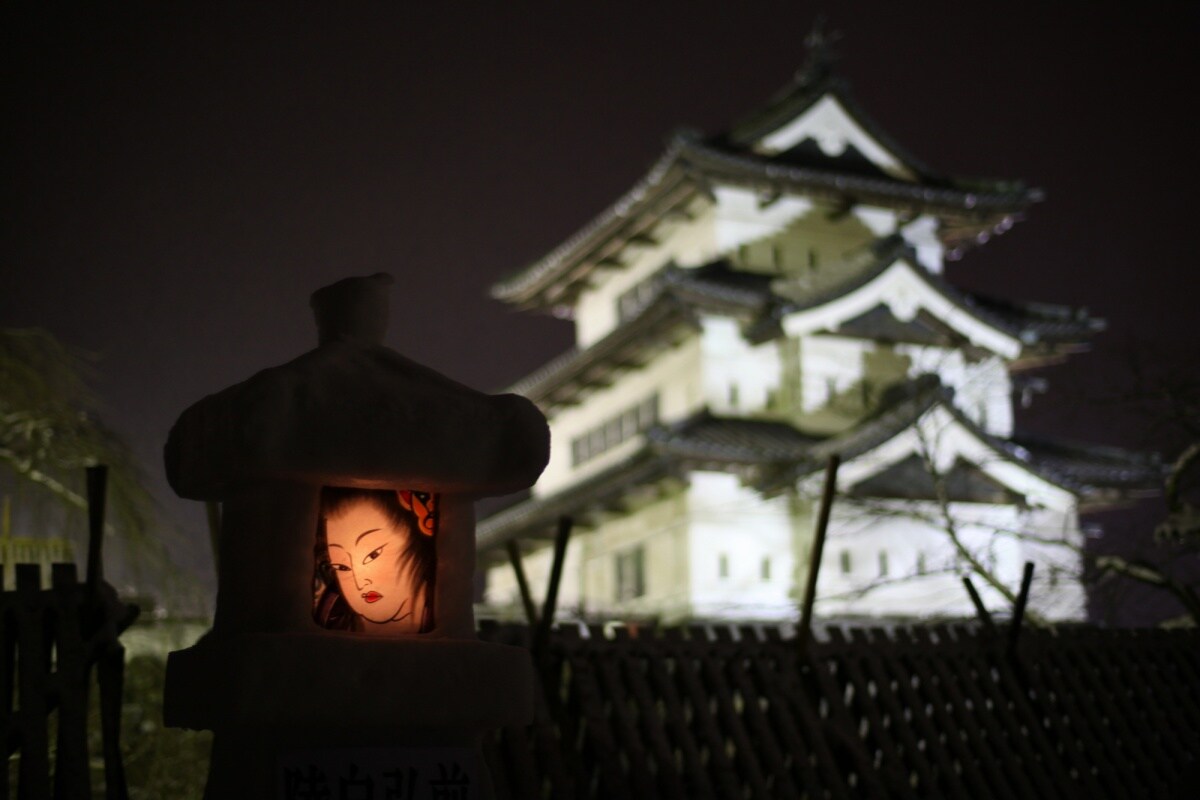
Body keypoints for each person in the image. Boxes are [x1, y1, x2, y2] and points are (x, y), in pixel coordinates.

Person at [313, 486, 437, 634]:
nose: (360, 584)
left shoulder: (446, 606)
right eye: (342, 567)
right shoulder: (330, 616)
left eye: (373, 555)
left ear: (414, 542)